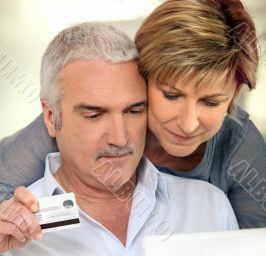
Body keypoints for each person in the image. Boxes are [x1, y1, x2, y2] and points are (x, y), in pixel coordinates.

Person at [0, 22, 238, 256]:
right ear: (50, 117)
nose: (120, 138)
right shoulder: (11, 233)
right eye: (94, 115)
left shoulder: (208, 204)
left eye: (134, 110)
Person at [0, 0, 265, 228]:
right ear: (143, 75)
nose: (187, 124)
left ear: (234, 94)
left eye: (210, 102)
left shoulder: (239, 148)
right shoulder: (68, 122)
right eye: (172, 95)